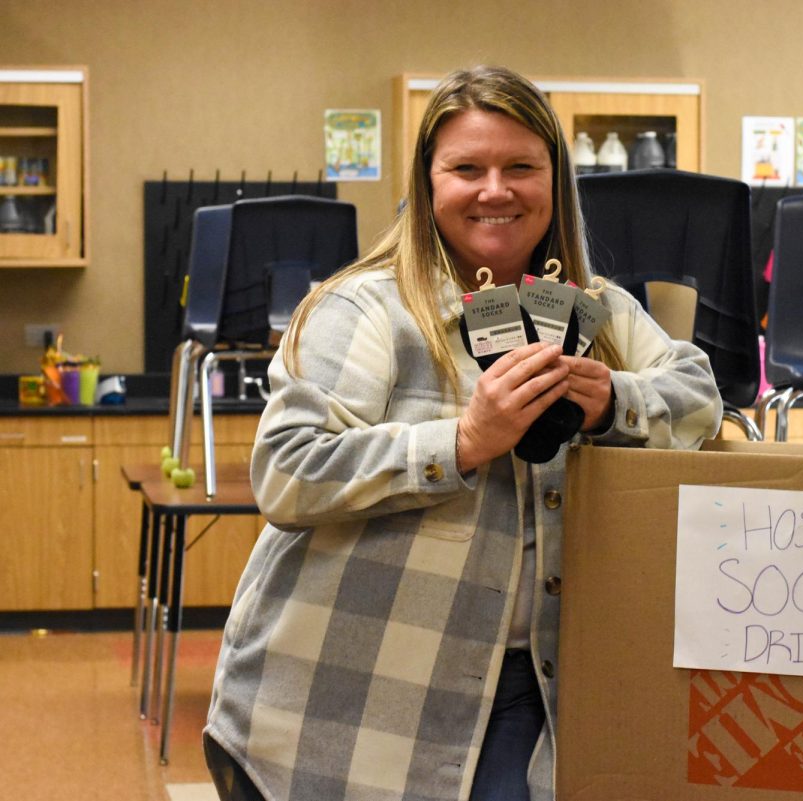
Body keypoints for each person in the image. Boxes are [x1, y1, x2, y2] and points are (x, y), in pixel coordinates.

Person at [202, 65, 722, 801]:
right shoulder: (367, 309)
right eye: (466, 168)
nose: (495, 190)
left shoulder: (596, 309)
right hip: (340, 708)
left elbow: (701, 399)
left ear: (555, 180)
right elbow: (287, 472)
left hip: (517, 690)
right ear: (428, 182)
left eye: (521, 167)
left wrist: (616, 400)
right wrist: (461, 442)